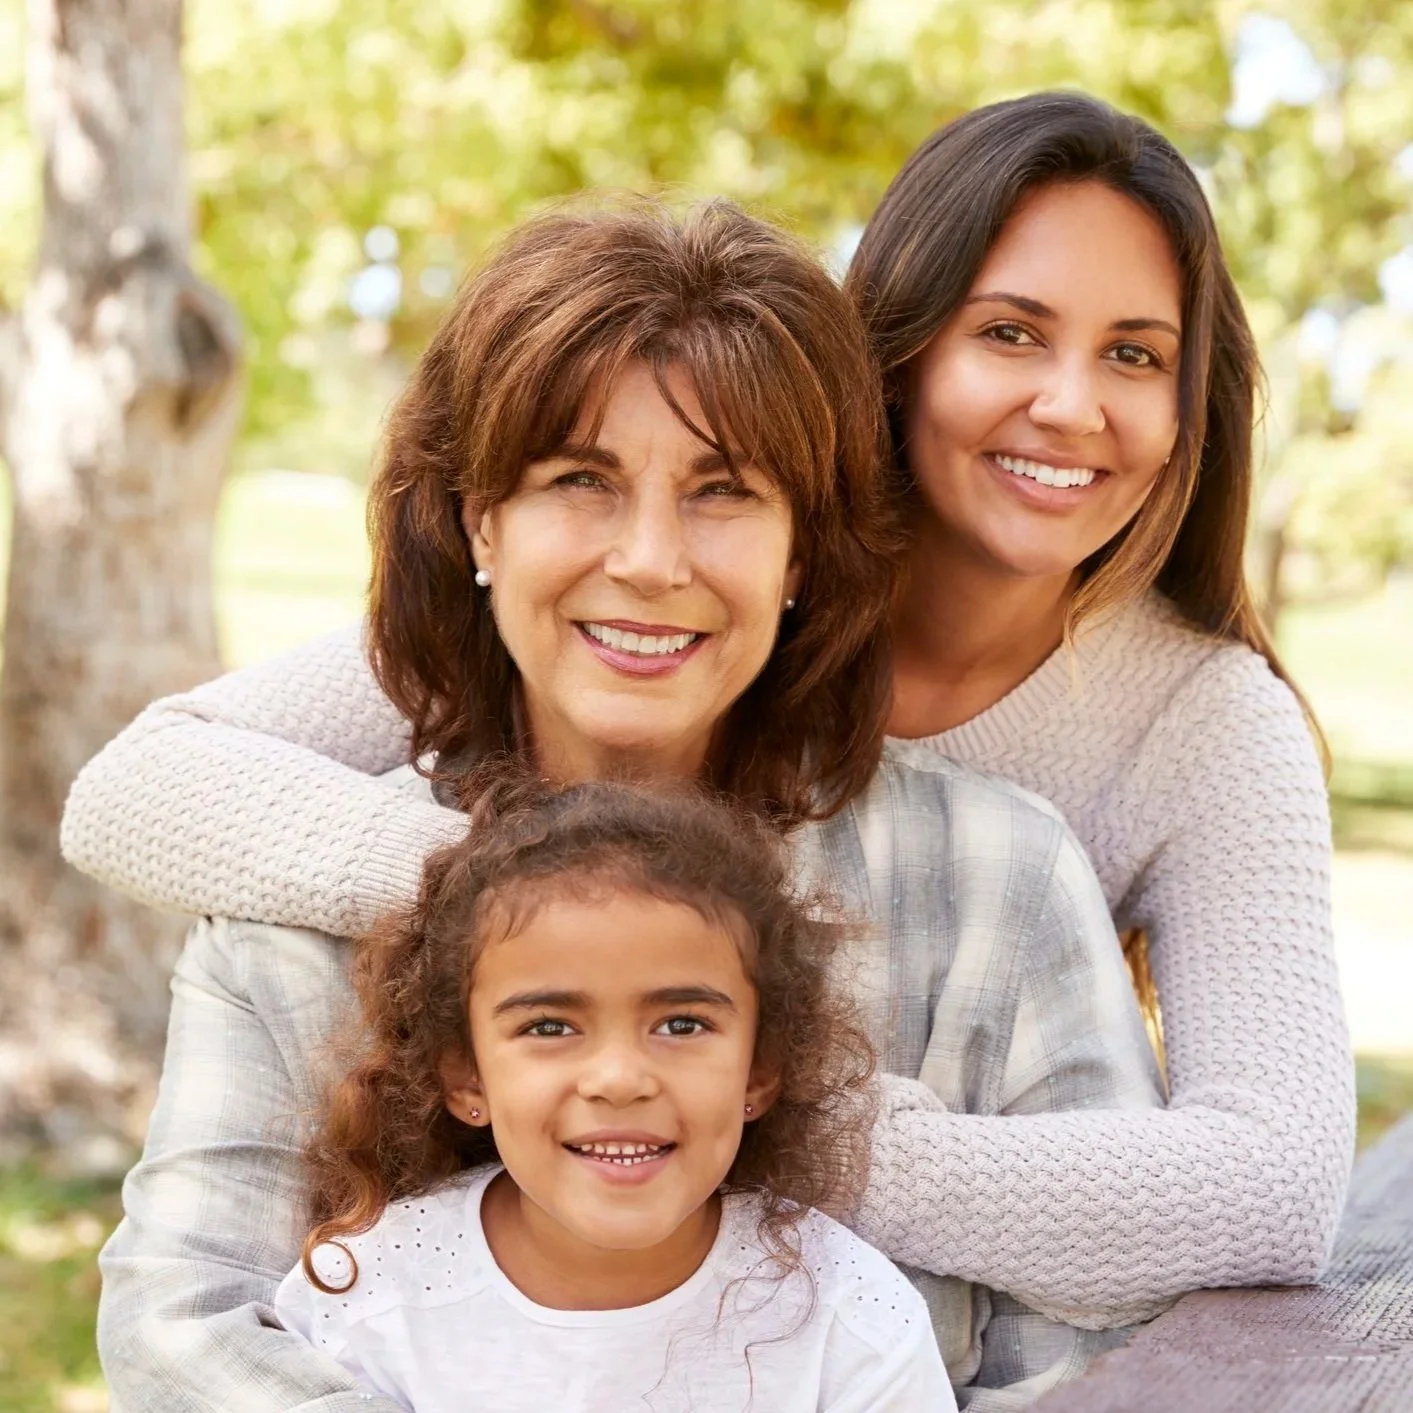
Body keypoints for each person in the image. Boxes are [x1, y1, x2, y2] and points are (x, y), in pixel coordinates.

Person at [64, 95, 1351, 1326]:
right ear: (891, 359)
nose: (1071, 404)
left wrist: (786, 1126)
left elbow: (1279, 1187)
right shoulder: (644, 603)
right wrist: (543, 901)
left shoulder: (1179, 733)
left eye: (1135, 354)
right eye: (1009, 332)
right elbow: (142, 788)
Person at [275, 773, 955, 1411]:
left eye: (681, 1023)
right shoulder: (363, 1297)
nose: (619, 1078)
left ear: (759, 1070)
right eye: (549, 1025)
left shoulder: (851, 1317)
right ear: (465, 1076)